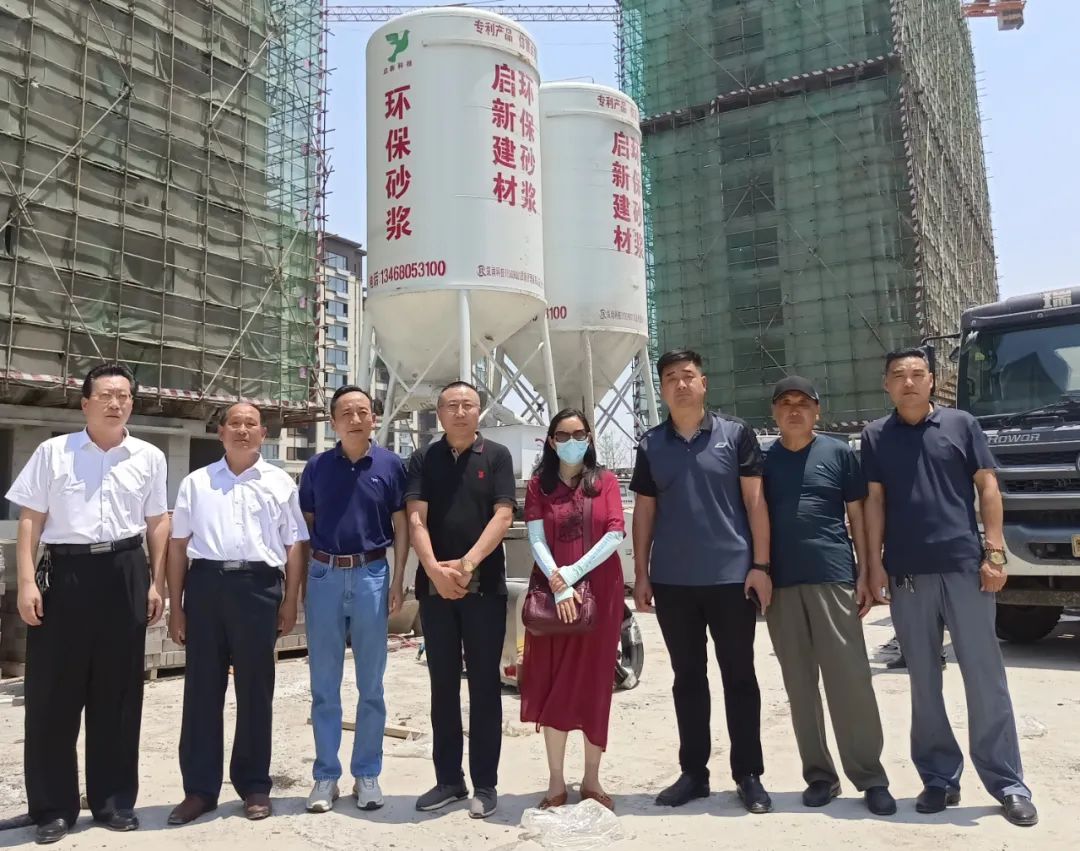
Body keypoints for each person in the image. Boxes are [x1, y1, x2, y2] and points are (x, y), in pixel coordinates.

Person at [861, 348, 1037, 827]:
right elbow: (874, 502)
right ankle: (938, 778)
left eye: (917, 374)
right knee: (923, 681)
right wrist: (873, 566)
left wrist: (994, 552)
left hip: (964, 568)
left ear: (932, 380)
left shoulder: (961, 424)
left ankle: (1008, 784)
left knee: (985, 678)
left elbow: (987, 486)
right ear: (886, 384)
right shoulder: (875, 436)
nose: (908, 382)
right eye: (898, 375)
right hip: (907, 573)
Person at [6, 363, 169, 845]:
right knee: (52, 694)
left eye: (124, 396)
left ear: (132, 403)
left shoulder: (149, 457)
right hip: (66, 573)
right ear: (85, 403)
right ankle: (52, 808)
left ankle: (113, 802)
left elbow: (158, 522)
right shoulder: (53, 452)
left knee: (118, 693)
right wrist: (26, 582)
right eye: (105, 395)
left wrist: (156, 583)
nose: (115, 403)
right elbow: (31, 520)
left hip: (125, 570)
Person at [631, 349, 773, 814]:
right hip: (673, 582)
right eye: (671, 378)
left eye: (688, 375)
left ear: (703, 383)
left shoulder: (735, 434)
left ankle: (748, 774)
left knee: (740, 676)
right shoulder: (651, 445)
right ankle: (694, 773)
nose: (680, 384)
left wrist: (761, 566)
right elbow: (644, 512)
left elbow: (755, 503)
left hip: (732, 577)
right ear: (662, 389)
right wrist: (641, 574)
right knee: (687, 678)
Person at [165, 403, 306, 825]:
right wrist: (177, 607)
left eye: (251, 424)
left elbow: (294, 545)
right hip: (206, 586)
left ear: (263, 434)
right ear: (221, 432)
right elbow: (178, 545)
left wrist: (290, 600)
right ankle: (199, 790)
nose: (243, 430)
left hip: (259, 587)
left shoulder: (280, 482)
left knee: (255, 689)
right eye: (235, 424)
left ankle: (255, 785)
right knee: (202, 690)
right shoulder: (197, 483)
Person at [762, 376, 895, 816]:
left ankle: (870, 777)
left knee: (850, 681)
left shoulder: (838, 453)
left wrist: (866, 571)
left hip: (833, 577)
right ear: (774, 412)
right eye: (785, 402)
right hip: (782, 585)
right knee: (800, 685)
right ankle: (820, 775)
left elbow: (858, 516)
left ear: (817, 410)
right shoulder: (764, 462)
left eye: (803, 403)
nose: (794, 410)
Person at [406, 381, 516, 819]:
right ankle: (449, 780)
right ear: (439, 413)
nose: (460, 411)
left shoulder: (497, 456)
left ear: (479, 411)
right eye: (451, 405)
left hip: (484, 588)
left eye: (468, 405)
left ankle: (485, 784)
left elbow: (503, 514)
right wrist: (434, 569)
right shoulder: (423, 458)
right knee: (443, 686)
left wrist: (468, 565)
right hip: (435, 591)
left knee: (485, 687)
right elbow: (416, 518)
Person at [299, 385, 409, 813]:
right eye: (346, 412)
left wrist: (398, 579)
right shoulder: (316, 467)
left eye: (363, 411)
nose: (356, 419)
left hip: (372, 575)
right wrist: (304, 582)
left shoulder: (390, 465)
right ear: (333, 422)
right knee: (324, 684)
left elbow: (401, 526)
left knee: (371, 684)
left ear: (374, 418)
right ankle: (326, 776)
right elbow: (305, 527)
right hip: (325, 574)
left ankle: (367, 773)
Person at [520, 409, 627, 812]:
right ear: (551, 442)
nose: (571, 442)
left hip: (601, 592)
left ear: (590, 438)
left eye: (579, 434)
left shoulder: (606, 481)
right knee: (554, 682)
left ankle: (592, 779)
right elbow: (535, 538)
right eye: (563, 435)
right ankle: (555, 781)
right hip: (553, 596)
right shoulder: (538, 486)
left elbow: (615, 532)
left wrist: (572, 575)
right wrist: (559, 584)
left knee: (596, 683)